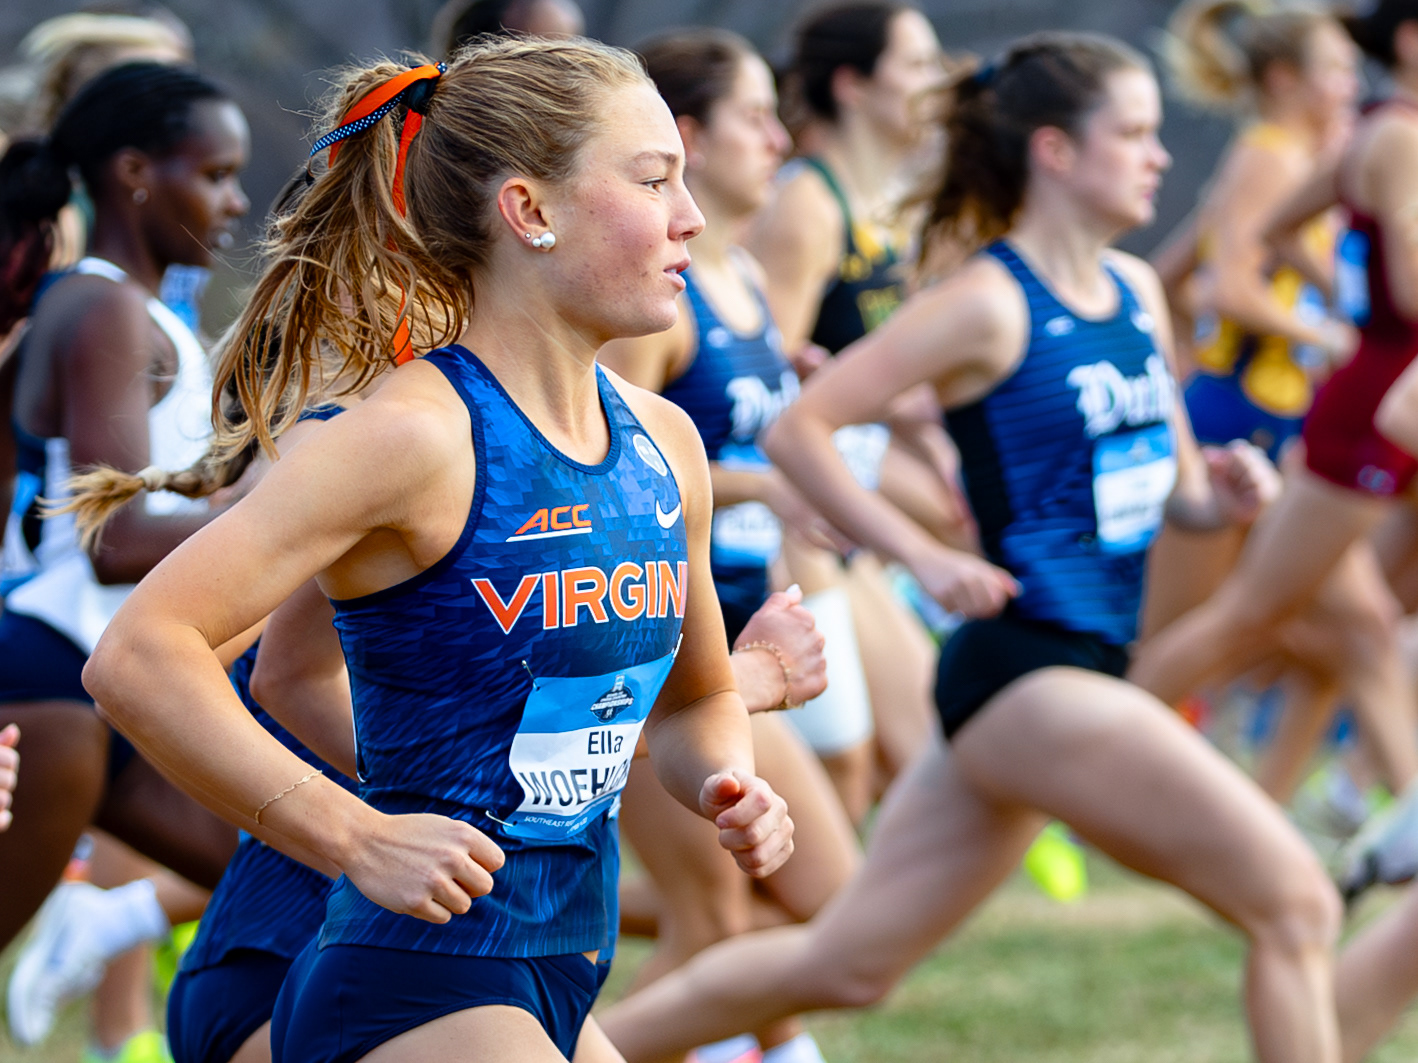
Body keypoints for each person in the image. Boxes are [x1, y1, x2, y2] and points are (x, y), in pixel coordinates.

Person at [598, 33, 1347, 1063]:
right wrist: (922, 554)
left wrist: (1222, 496)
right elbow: (801, 426)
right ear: (1054, 151)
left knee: (847, 961)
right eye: (1132, 133)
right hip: (1026, 670)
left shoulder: (1135, 291)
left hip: (1075, 669)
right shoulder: (988, 303)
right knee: (1298, 904)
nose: (1159, 155)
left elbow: (1175, 490)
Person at [79, 36, 793, 1062]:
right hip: (406, 978)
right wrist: (355, 833)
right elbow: (142, 653)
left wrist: (727, 779)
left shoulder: (666, 442)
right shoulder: (414, 437)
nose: (691, 216)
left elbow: (692, 702)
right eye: (652, 179)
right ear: (529, 211)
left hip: (558, 961)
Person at [600, 29, 858, 1063]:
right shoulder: (658, 305)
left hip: (739, 632)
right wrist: (760, 482)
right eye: (756, 117)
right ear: (689, 136)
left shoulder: (743, 274)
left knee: (815, 905)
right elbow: (613, 472)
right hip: (659, 651)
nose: (780, 139)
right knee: (724, 919)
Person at [1129, 0, 1418, 903]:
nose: (1344, 83)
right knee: (1259, 616)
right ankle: (1079, 750)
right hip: (1315, 412)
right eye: (1330, 69)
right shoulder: (1367, 139)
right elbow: (1234, 277)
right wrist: (1338, 329)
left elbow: (1237, 251)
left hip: (1337, 404)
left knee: (1357, 630)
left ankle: (1302, 814)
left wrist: (1341, 306)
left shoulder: (1356, 137)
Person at [0, 60, 250, 961]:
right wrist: (281, 517)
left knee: (293, 880)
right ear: (136, 173)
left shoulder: (120, 306)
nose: (235, 202)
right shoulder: (103, 306)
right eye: (215, 175)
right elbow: (113, 537)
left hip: (109, 678)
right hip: (56, 676)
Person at [744, 0, 952, 819]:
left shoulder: (886, 202)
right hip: (797, 522)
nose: (937, 83)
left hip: (844, 506)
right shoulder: (809, 205)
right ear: (853, 85)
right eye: (918, 64)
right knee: (870, 772)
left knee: (916, 758)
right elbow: (760, 388)